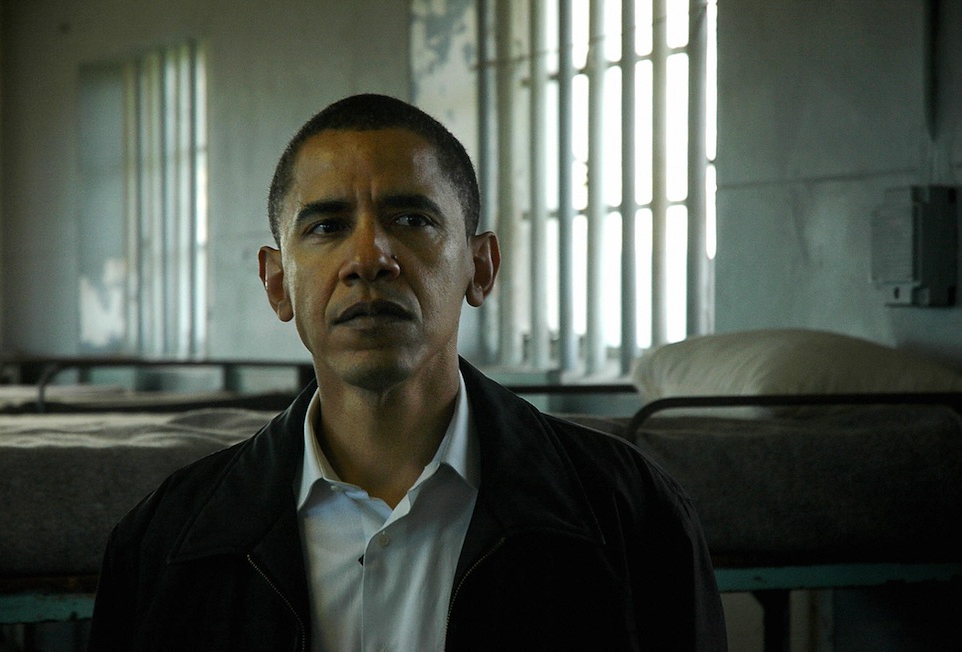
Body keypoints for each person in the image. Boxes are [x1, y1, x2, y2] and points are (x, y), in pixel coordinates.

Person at [88, 93, 727, 651]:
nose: (369, 258)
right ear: (277, 283)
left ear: (481, 267)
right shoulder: (165, 542)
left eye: (412, 220)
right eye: (327, 226)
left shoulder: (630, 516)